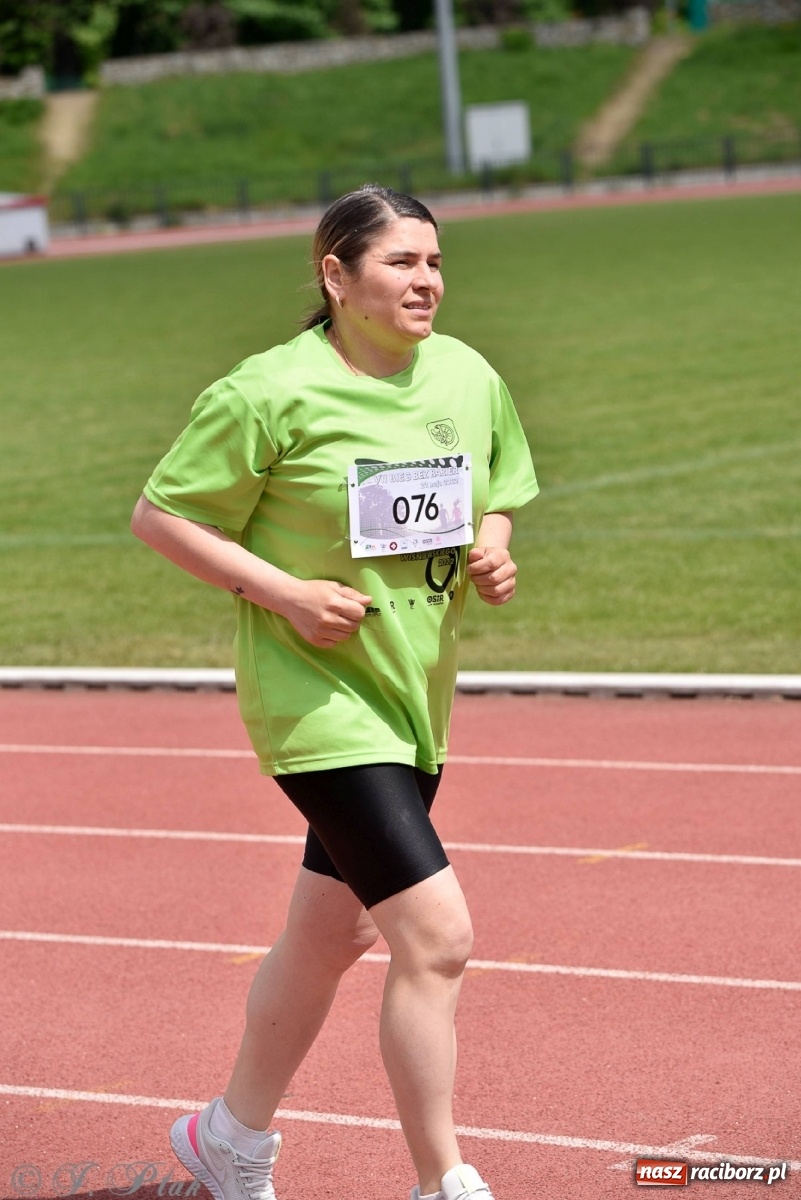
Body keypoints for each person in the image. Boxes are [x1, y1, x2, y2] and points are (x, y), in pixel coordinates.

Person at [131, 183, 538, 1200]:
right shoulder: (268, 391)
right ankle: (442, 1179)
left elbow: (498, 491)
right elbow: (161, 515)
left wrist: (491, 550)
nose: (429, 281)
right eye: (403, 262)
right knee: (435, 936)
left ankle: (231, 1136)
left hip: (412, 695)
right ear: (335, 275)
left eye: (436, 262)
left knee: (332, 933)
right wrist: (285, 594)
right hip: (315, 699)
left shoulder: (465, 373)